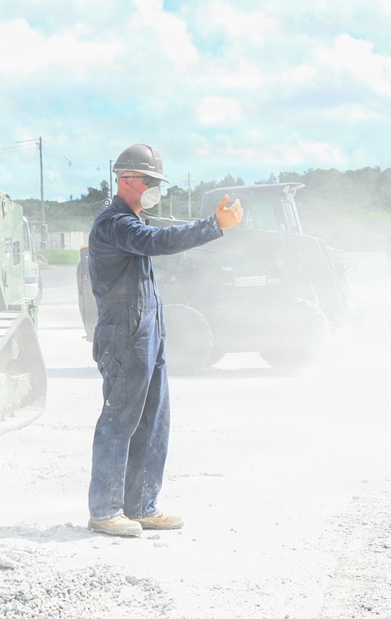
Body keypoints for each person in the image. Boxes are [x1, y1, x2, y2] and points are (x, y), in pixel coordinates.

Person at [86, 143, 243, 537]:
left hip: (146, 331)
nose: (155, 187)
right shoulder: (114, 223)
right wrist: (213, 226)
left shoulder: (133, 221)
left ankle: (141, 506)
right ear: (125, 181)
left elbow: (160, 235)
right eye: (149, 180)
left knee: (153, 420)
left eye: (157, 180)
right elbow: (157, 242)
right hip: (125, 332)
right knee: (120, 419)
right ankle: (104, 510)